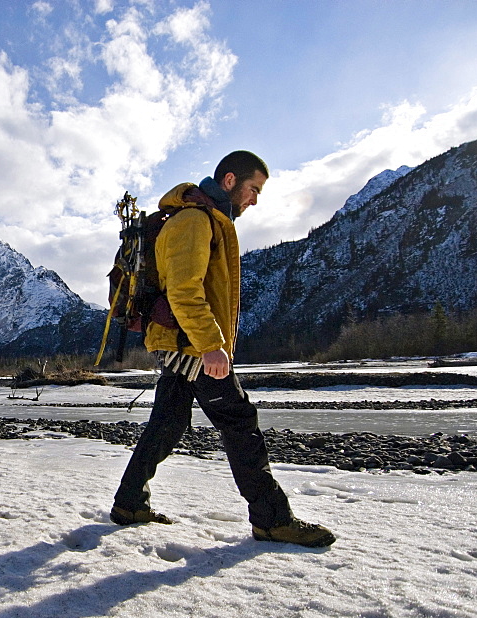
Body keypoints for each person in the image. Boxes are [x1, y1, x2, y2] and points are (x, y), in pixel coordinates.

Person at [110, 151, 335, 547]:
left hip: (184, 343)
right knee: (239, 420)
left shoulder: (206, 218)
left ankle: (129, 502)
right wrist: (212, 345)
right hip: (192, 346)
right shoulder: (194, 220)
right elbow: (184, 290)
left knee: (168, 423)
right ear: (230, 180)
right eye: (253, 189)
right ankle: (271, 519)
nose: (255, 199)